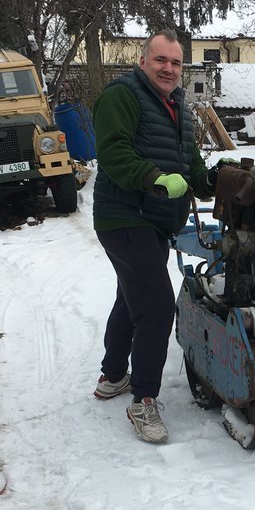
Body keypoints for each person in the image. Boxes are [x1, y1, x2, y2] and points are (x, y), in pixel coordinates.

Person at [91, 29, 208, 444]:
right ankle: (143, 400)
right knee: (156, 307)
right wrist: (155, 179)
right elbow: (113, 153)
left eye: (175, 63)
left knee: (132, 297)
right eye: (161, 60)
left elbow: (190, 162)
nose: (168, 69)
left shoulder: (178, 106)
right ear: (143, 61)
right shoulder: (122, 96)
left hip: (154, 220)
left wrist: (217, 178)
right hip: (124, 216)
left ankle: (113, 375)